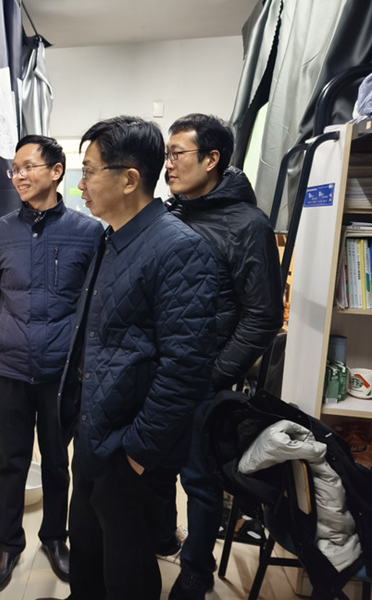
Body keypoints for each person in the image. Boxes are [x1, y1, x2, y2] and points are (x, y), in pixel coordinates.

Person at [44, 116, 218, 600]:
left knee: (126, 573)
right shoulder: (113, 236)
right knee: (88, 554)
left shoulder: (179, 248)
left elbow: (185, 370)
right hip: (96, 434)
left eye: (89, 171)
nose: (80, 184)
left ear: (129, 179)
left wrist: (137, 455)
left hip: (130, 449)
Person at [0, 134, 103, 593]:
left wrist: (85, 365)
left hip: (61, 373)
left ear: (57, 171)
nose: (19, 176)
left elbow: (94, 307)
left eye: (29, 166)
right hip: (8, 368)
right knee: (11, 460)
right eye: (15, 169)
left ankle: (54, 537)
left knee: (56, 461)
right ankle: (8, 543)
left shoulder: (89, 232)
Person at [164, 114, 284, 600]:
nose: (168, 164)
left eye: (177, 154)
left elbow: (262, 317)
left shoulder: (248, 225)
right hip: (160, 372)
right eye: (167, 154)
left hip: (203, 378)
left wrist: (212, 376)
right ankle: (162, 537)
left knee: (199, 478)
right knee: (154, 464)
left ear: (212, 159)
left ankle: (196, 567)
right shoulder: (172, 214)